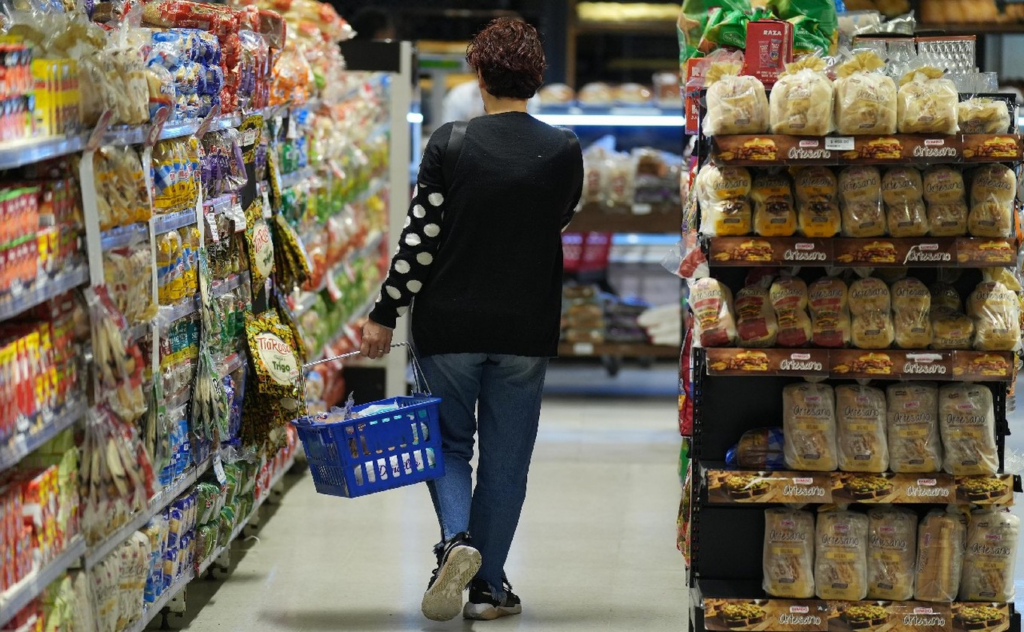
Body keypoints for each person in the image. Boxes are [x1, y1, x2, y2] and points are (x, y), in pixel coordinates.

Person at [360, 17, 584, 623]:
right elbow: (558, 219)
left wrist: (385, 312)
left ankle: (456, 542)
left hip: (450, 327)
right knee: (507, 463)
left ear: (479, 74)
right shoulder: (563, 150)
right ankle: (488, 590)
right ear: (536, 78)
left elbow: (420, 239)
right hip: (525, 329)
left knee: (449, 447)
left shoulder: (451, 142)